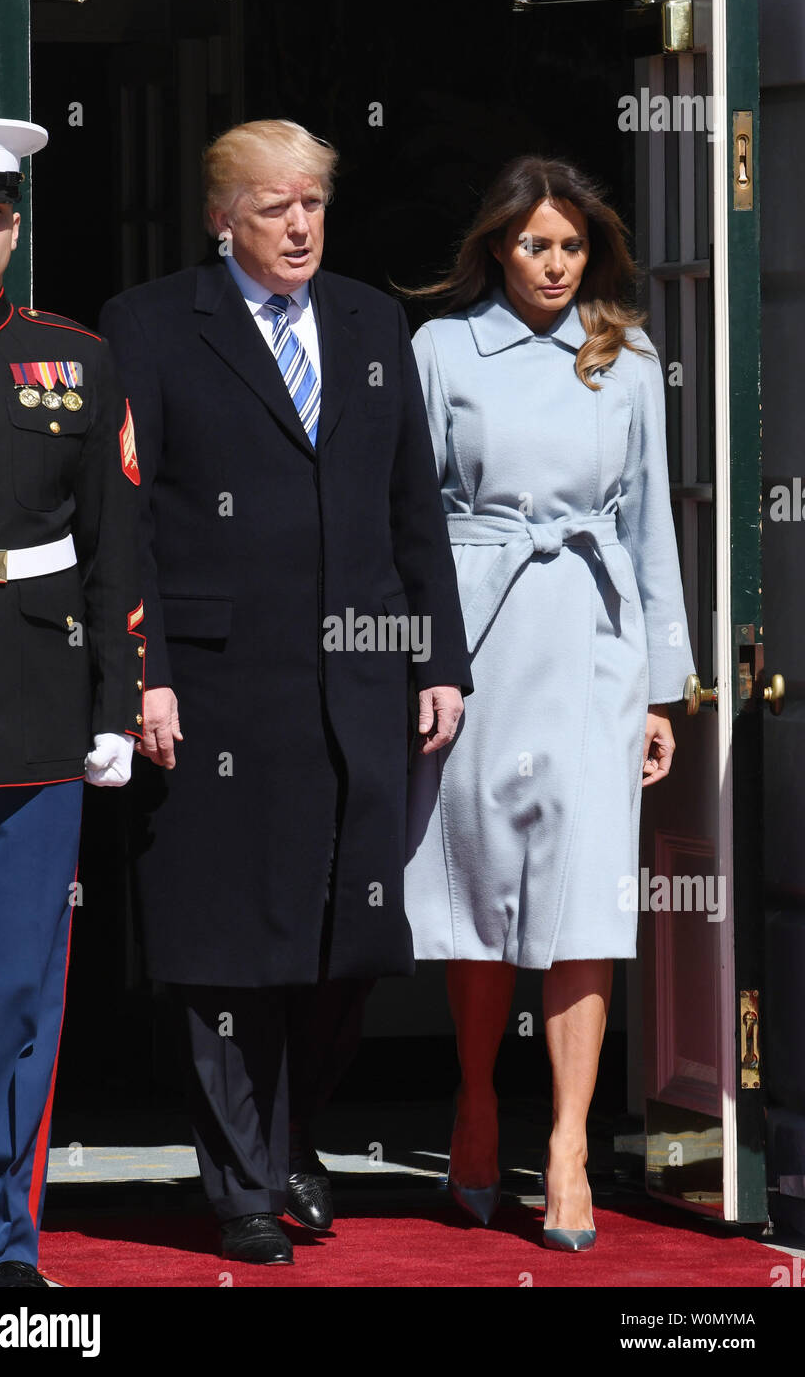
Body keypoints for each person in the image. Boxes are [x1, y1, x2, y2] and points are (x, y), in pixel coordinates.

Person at [98, 119, 472, 1267]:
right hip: (214, 692)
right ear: (223, 218)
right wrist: (143, 671)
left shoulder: (369, 320)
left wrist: (439, 657)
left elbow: (414, 507)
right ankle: (242, 1186)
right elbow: (128, 522)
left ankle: (292, 1137)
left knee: (346, 943)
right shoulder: (151, 325)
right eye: (272, 207)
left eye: (311, 201)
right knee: (225, 948)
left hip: (356, 682)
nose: (300, 224)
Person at [404, 155, 695, 1251]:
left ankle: (567, 1139)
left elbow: (648, 526)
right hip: (481, 641)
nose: (555, 264)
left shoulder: (624, 361)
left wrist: (662, 689)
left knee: (583, 898)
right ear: (496, 248)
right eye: (535, 244)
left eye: (571, 246)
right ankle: (476, 1100)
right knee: (480, 884)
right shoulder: (441, 349)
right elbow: (413, 518)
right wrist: (423, 661)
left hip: (593, 644)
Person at [0, 119, 144, 1288]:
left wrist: (115, 704)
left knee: (16, 985)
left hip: (36, 716)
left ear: (15, 227)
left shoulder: (75, 355)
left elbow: (117, 548)